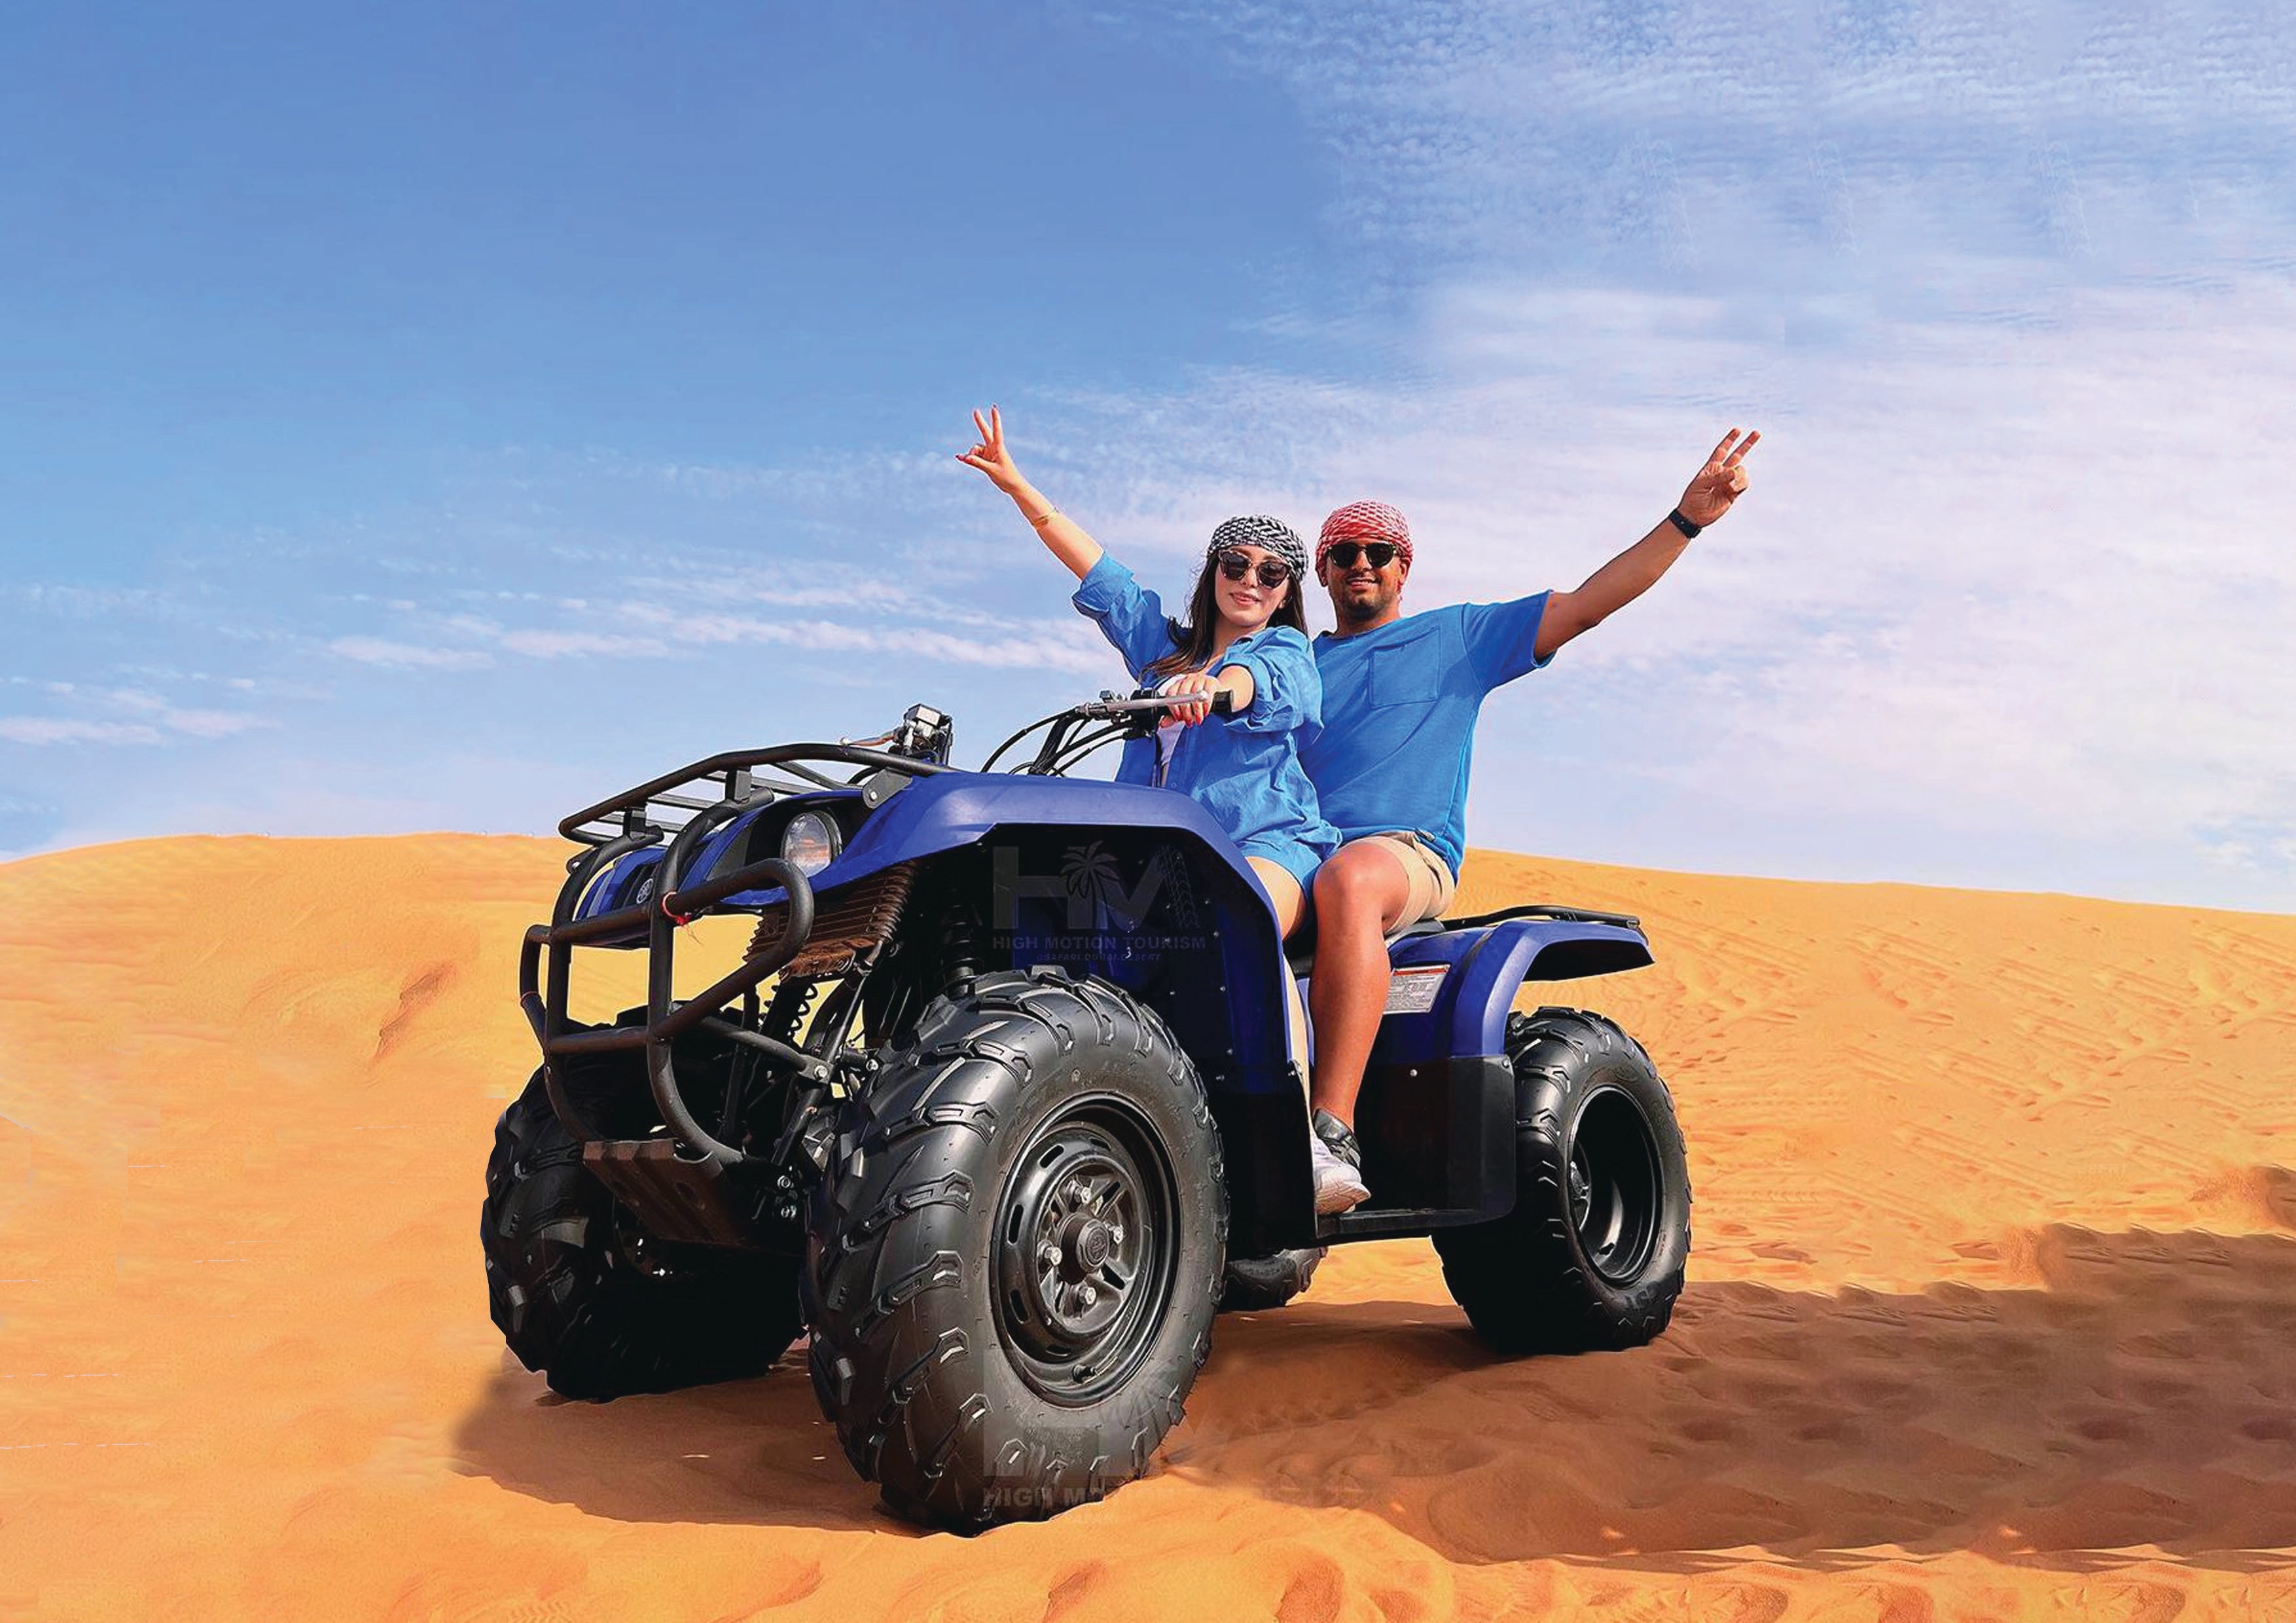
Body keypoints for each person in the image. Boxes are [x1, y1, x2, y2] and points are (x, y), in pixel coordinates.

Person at [1298, 429, 1762, 1213]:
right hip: (1300, 857)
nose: (1362, 565)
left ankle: (1328, 1132)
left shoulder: (1458, 637)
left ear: (1404, 566)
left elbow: (1585, 605)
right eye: (1343, 554)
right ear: (1323, 572)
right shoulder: (1295, 664)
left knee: (1349, 877)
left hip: (1398, 856)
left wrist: (1683, 522)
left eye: (1378, 550)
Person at [956, 406, 1338, 965]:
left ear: (1286, 593)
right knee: (1028, 910)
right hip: (1165, 850)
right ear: (1214, 574)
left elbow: (1258, 684)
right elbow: (1103, 576)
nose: (1250, 580)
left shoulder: (1287, 651)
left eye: (1270, 573)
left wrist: (1214, 690)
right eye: (1236, 565)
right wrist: (1019, 488)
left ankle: (1291, 1055)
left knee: (1235, 920)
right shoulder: (1163, 654)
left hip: (1264, 843)